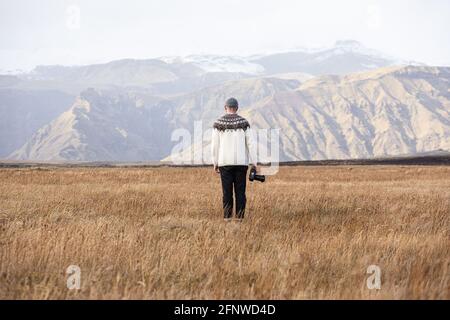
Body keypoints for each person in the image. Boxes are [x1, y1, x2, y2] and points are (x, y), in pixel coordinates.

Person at [211, 97, 257, 222]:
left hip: (224, 162)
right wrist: (254, 162)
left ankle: (227, 218)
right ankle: (240, 219)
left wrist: (215, 162)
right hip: (241, 163)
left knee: (227, 192)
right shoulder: (244, 123)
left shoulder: (218, 123)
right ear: (237, 108)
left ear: (225, 108)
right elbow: (251, 143)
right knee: (240, 192)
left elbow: (215, 145)